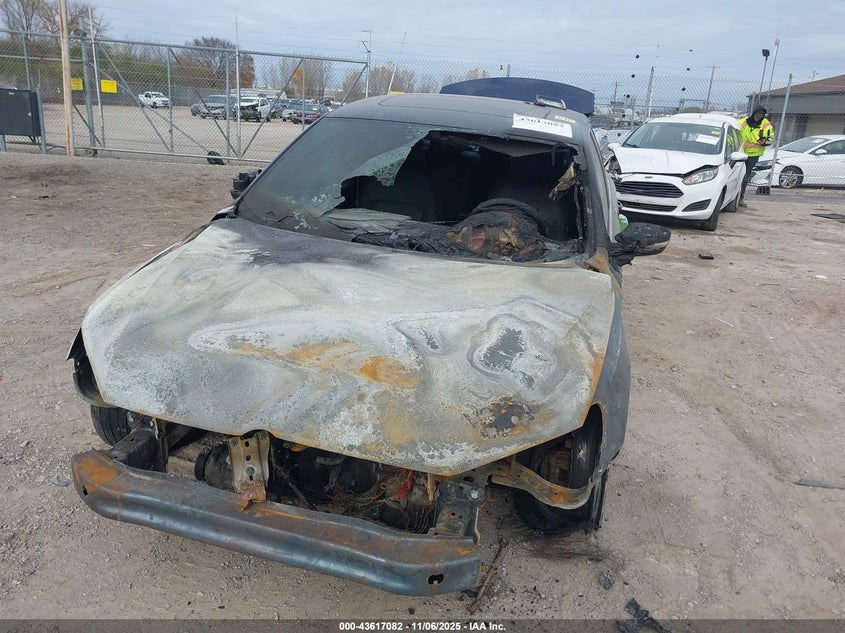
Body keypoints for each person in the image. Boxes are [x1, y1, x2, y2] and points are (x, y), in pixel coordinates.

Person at [737, 106, 774, 206]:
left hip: (753, 154)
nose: (759, 116)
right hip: (740, 152)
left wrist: (765, 142)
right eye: (757, 114)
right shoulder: (743, 121)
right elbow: (734, 131)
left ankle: (740, 198)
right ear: (754, 113)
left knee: (745, 177)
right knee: (736, 175)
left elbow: (771, 139)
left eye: (761, 114)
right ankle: (733, 197)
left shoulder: (766, 124)